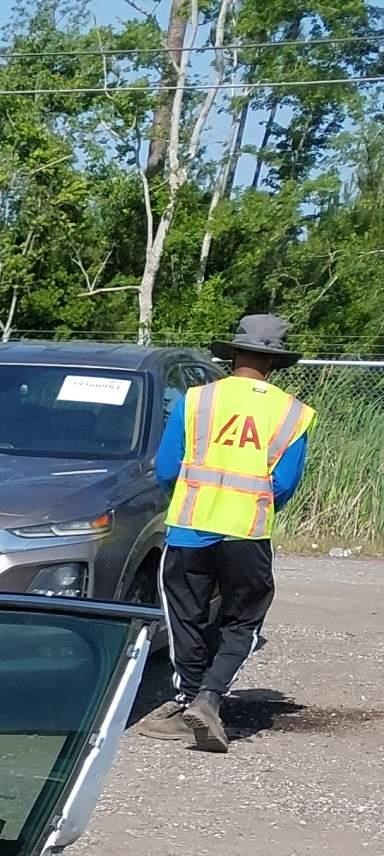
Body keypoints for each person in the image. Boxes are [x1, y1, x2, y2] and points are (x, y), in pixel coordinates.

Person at [136, 313, 316, 753]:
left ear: (233, 353)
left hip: (189, 528)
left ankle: (186, 700)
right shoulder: (294, 413)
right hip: (247, 532)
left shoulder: (197, 400)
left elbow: (166, 469)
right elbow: (285, 483)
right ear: (275, 363)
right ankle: (210, 698)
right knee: (243, 620)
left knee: (186, 617)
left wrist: (181, 498)